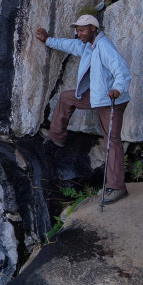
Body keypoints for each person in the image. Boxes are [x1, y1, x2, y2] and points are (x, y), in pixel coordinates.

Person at [35, 14, 131, 204]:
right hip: (97, 96)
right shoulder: (89, 45)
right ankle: (57, 137)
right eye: (78, 30)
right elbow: (69, 45)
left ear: (93, 29)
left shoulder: (104, 46)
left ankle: (116, 186)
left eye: (82, 30)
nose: (79, 34)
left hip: (111, 100)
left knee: (112, 141)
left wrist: (117, 89)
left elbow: (122, 70)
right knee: (66, 98)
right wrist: (48, 40)